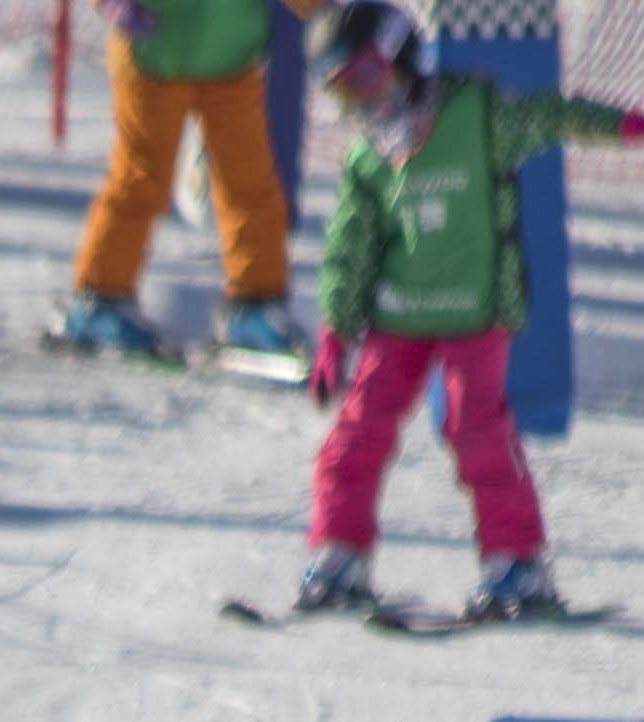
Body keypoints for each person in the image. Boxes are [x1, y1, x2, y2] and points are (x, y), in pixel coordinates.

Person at [298, 2, 644, 621]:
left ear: (400, 58)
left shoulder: (475, 117)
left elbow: (551, 113)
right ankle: (337, 555)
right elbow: (347, 249)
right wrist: (334, 328)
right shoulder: (368, 155)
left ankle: (516, 566)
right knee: (355, 435)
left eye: (367, 79)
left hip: (474, 314)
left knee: (475, 429)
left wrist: (623, 125)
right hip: (396, 320)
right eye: (341, 92)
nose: (360, 102)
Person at [53, 0, 314, 366]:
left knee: (251, 186)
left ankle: (255, 305)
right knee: (140, 180)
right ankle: (100, 296)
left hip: (231, 57)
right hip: (153, 53)